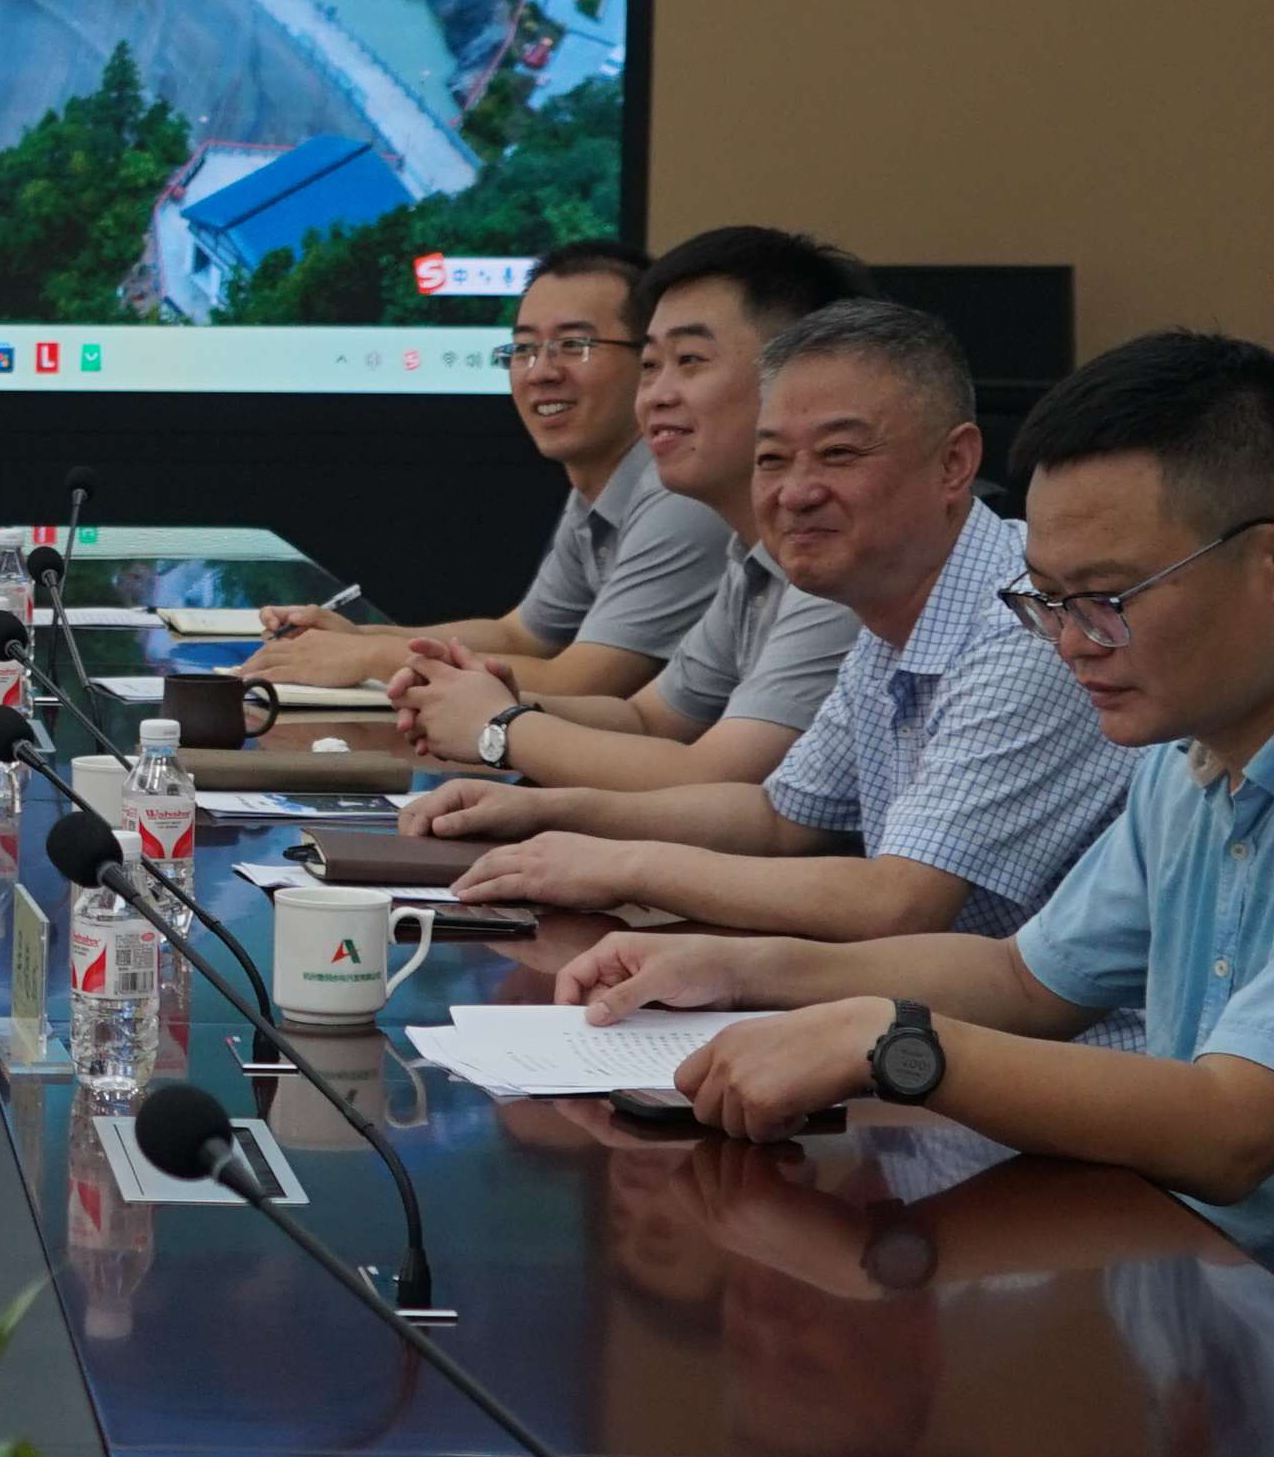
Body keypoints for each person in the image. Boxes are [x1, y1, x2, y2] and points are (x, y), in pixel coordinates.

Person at [565, 328, 1274, 1417]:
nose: (1073, 643)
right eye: (1048, 600)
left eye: (1109, 600)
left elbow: (1232, 1128)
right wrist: (741, 969)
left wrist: (897, 1043)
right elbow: (1027, 978)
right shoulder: (1199, 740)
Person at [432, 295, 1122, 939]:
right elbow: (779, 818)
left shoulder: (1025, 627)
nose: (795, 492)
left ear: (954, 463)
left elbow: (899, 901)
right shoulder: (889, 606)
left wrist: (625, 866)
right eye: (771, 459)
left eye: (838, 454)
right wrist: (547, 811)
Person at [388, 223, 868, 799]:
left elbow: (718, 779)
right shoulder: (753, 551)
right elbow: (648, 719)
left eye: (690, 359)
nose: (658, 394)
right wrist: (481, 697)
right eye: (650, 365)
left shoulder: (841, 558)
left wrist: (501, 727)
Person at [246, 241, 724, 690]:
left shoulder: (678, 496)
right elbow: (522, 636)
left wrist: (370, 658)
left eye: (574, 345)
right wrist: (356, 638)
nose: (542, 371)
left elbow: (581, 682)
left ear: (649, 361)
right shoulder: (600, 485)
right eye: (524, 348)